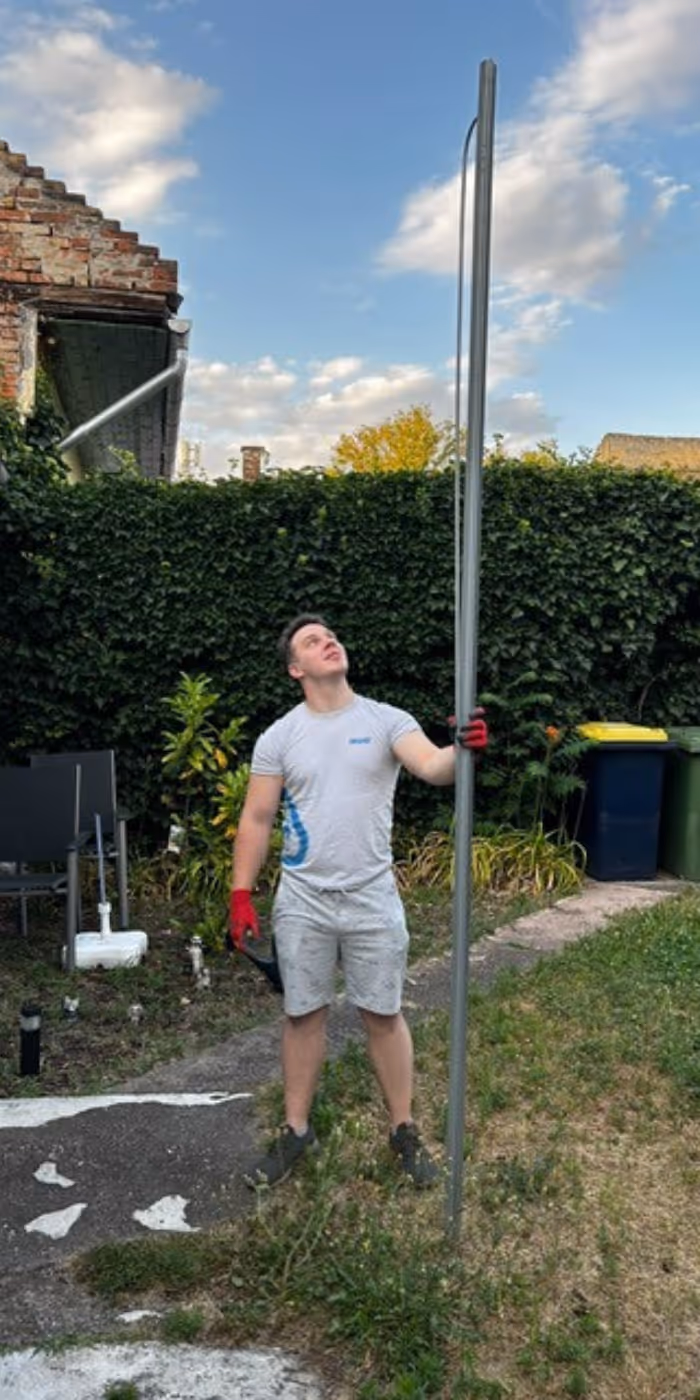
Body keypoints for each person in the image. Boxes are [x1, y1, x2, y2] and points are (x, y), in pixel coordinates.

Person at [229, 614, 487, 1189]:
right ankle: (296, 1131)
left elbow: (433, 767)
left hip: (372, 895)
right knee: (303, 1014)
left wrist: (461, 748)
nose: (328, 641)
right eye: (312, 641)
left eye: (330, 635)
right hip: (303, 899)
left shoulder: (384, 720)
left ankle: (403, 1130)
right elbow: (257, 817)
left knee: (383, 1013)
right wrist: (240, 893)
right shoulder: (280, 737)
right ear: (295, 669)